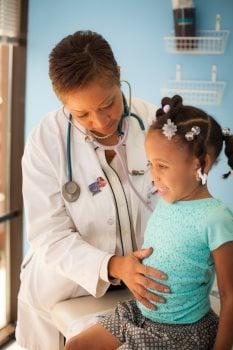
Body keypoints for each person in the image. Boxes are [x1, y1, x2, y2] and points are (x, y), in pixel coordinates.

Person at [15, 30, 171, 350]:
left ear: (119, 77)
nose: (100, 122)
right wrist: (114, 265)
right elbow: (50, 235)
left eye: (107, 104)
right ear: (62, 102)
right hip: (64, 285)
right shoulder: (46, 142)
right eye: (82, 114)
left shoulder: (154, 123)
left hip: (138, 285)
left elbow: (180, 200)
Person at [65, 95, 233, 350]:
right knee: (76, 345)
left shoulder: (215, 218)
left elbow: (230, 296)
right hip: (139, 313)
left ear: (201, 164)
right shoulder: (168, 201)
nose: (153, 176)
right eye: (150, 164)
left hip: (179, 333)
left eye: (162, 166)